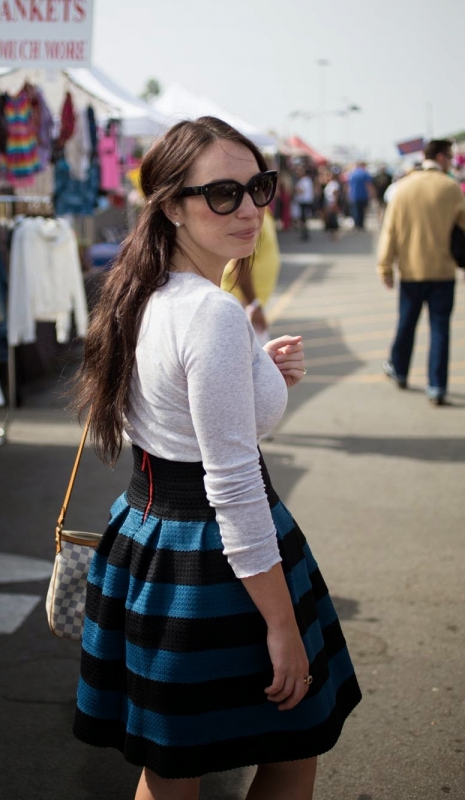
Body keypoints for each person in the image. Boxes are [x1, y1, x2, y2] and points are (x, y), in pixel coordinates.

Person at [71, 116, 361, 800]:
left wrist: (259, 371)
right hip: (217, 561)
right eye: (222, 194)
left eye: (258, 187)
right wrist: (282, 624)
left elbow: (177, 410)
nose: (252, 209)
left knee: (172, 770)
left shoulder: (144, 289)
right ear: (171, 204)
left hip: (148, 539)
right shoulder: (211, 313)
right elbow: (231, 484)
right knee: (293, 749)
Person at [377, 139, 465, 405]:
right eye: (449, 156)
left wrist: (385, 266)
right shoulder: (451, 188)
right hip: (443, 271)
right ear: (440, 157)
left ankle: (400, 371)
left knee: (406, 324)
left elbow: (389, 231)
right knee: (440, 330)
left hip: (411, 271)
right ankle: (436, 386)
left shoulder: (402, 188)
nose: (451, 161)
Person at [221, 207, 281, 344]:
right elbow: (239, 262)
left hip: (248, 303)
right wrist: (253, 305)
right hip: (242, 302)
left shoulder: (264, 212)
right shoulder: (252, 217)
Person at [347, 161, 373, 230]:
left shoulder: (352, 174)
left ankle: (357, 224)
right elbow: (368, 185)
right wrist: (371, 194)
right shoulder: (365, 174)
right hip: (363, 195)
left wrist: (349, 194)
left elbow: (349, 186)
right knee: (362, 211)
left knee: (356, 211)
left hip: (354, 195)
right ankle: (361, 225)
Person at [294, 165, 315, 240]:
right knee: (304, 219)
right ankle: (304, 233)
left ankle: (305, 234)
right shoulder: (307, 180)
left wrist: (296, 190)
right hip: (305, 201)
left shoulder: (304, 180)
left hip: (304, 201)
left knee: (303, 219)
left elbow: (301, 191)